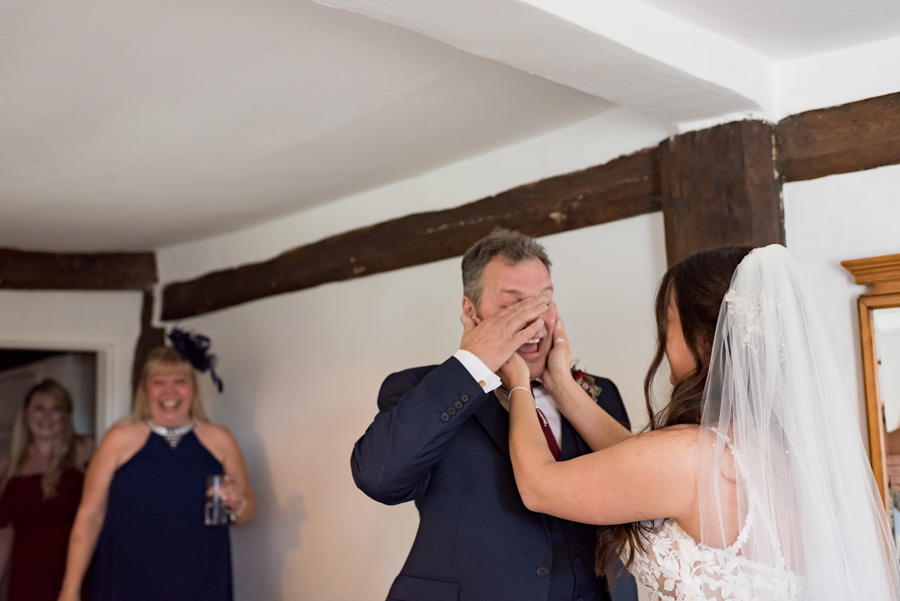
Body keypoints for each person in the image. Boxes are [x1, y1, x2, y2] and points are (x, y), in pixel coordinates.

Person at [504, 244, 900, 600]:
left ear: (707, 340)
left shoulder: (690, 455)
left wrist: (519, 382)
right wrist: (561, 384)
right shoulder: (793, 453)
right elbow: (639, 466)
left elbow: (538, 485)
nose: (662, 337)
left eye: (669, 321)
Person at [351, 228, 638, 601]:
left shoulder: (602, 393)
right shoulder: (420, 390)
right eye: (512, 306)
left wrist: (563, 386)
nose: (535, 322)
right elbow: (379, 478)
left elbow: (632, 497)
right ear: (471, 312)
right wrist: (473, 364)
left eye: (544, 301)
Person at [58, 345, 256, 601]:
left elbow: (247, 512)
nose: (169, 391)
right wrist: (70, 589)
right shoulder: (119, 439)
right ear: (145, 389)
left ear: (193, 388)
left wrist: (237, 504)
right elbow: (89, 517)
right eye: (159, 382)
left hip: (202, 581)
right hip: (129, 580)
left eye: (180, 382)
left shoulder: (220, 440)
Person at [0, 379, 94, 601]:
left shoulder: (86, 451)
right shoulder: (8, 466)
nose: (47, 417)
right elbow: (4, 537)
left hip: (73, 577)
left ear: (66, 415)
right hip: (25, 580)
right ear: (25, 413)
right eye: (39, 408)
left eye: (56, 409)